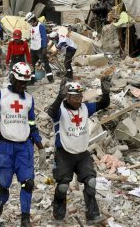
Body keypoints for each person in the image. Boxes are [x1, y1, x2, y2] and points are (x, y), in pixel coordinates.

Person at [0, 62, 47, 227]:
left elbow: (32, 126)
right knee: (4, 183)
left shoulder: (29, 100)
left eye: (25, 83)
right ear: (12, 78)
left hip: (25, 147)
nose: (23, 85)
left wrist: (41, 149)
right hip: (6, 148)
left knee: (27, 183)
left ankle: (25, 219)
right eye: (20, 82)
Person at [46, 77, 111, 225]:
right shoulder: (60, 110)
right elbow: (51, 111)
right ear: (67, 96)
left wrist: (106, 91)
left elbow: (104, 104)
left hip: (82, 153)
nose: (79, 99)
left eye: (80, 96)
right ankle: (58, 214)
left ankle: (93, 215)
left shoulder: (85, 108)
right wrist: (59, 96)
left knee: (91, 181)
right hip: (64, 153)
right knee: (62, 186)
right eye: (75, 96)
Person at [25, 12, 53, 84]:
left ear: (33, 19)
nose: (29, 23)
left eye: (29, 21)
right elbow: (33, 36)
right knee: (31, 65)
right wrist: (28, 39)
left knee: (45, 64)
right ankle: (32, 80)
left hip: (40, 49)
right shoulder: (32, 27)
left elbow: (44, 37)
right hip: (33, 49)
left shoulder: (41, 26)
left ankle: (50, 79)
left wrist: (44, 48)